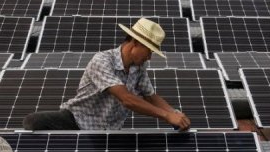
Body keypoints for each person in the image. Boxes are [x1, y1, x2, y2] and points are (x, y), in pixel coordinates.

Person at [23, 18, 192, 131]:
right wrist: (166, 115)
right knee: (34, 121)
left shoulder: (139, 67)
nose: (149, 57)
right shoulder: (102, 61)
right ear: (135, 43)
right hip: (77, 121)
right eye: (149, 51)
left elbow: (150, 96)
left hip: (108, 131)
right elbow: (127, 99)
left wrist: (175, 113)